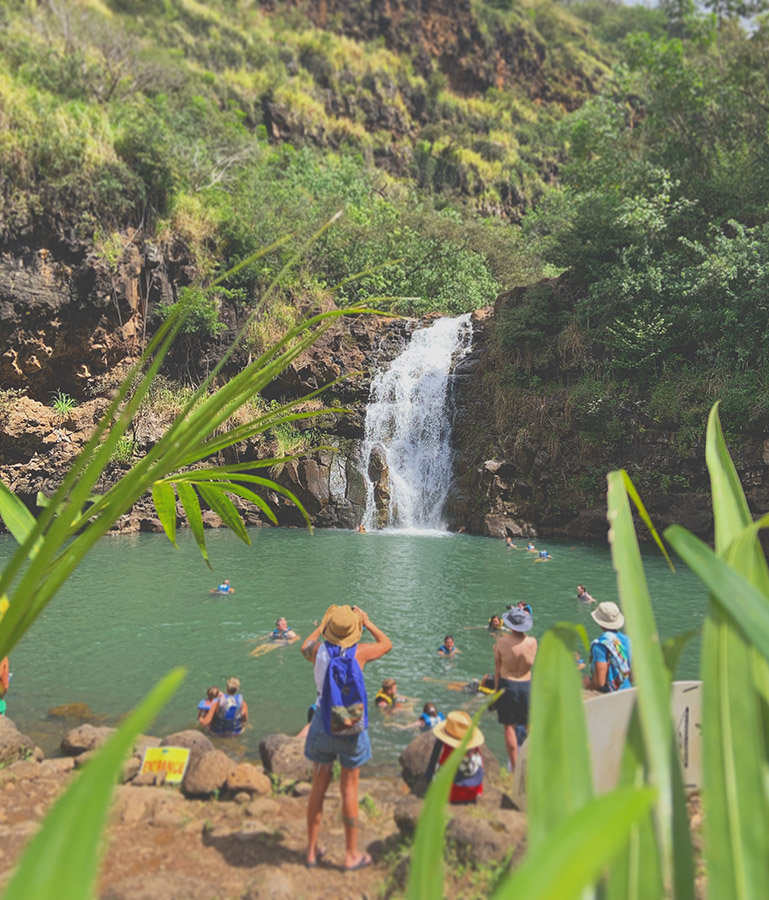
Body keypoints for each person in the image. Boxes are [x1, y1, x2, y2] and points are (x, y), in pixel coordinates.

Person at [300, 604, 392, 870]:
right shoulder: (360, 653)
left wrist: (323, 623)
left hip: (322, 720)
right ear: (355, 630)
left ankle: (311, 851)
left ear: (329, 629)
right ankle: (350, 855)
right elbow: (386, 644)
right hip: (350, 723)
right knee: (349, 790)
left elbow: (305, 644)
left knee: (318, 786)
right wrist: (368, 620)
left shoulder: (317, 651)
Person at [494, 606, 537, 773]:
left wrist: (496, 693)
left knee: (509, 726)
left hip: (508, 684)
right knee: (529, 725)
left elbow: (497, 670)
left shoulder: (502, 643)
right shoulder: (533, 642)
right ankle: (533, 761)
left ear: (511, 625)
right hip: (527, 685)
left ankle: (514, 767)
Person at [425, 710, 485, 804]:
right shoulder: (474, 746)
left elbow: (440, 764)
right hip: (475, 792)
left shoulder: (449, 748)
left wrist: (429, 774)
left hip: (452, 794)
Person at [584, 602, 632, 692]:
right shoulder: (628, 641)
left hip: (609, 698)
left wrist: (587, 684)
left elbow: (599, 682)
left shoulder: (600, 645)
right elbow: (633, 676)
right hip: (627, 693)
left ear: (600, 622)